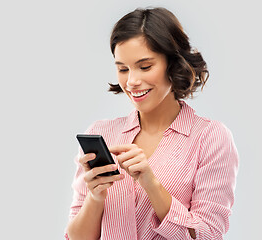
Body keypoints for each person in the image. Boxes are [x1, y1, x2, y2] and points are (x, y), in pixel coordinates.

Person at [65, 7, 239, 240]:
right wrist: (96, 197)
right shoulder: (101, 133)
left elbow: (208, 235)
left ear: (173, 63)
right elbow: (75, 237)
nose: (132, 81)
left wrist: (151, 184)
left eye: (145, 67)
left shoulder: (210, 138)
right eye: (123, 69)